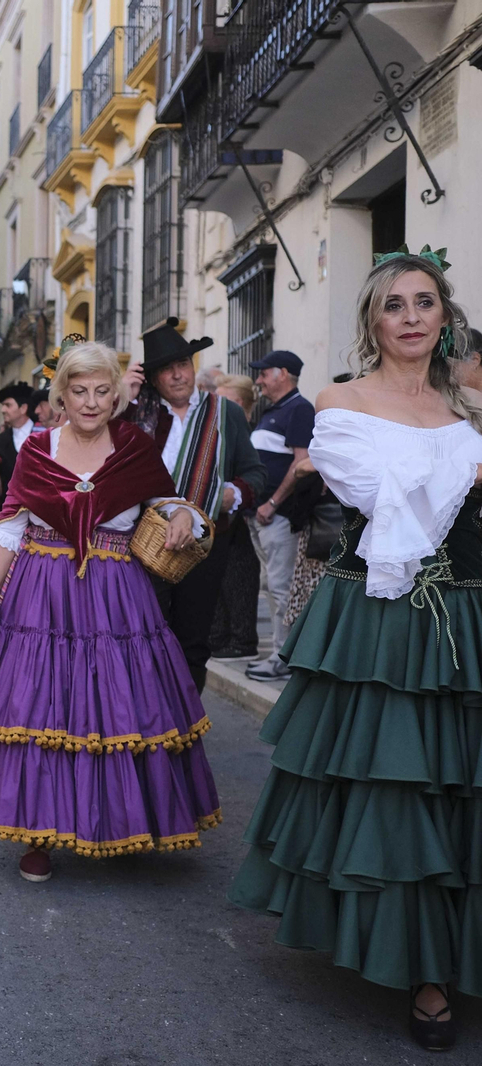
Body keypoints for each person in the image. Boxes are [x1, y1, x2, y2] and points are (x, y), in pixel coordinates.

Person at [228, 250, 482, 1052]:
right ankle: (423, 970)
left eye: (425, 302)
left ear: (445, 315)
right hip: (384, 618)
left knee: (465, 786)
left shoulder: (472, 403)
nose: (411, 316)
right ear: (373, 320)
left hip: (469, 616)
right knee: (399, 784)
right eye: (394, 305)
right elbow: (391, 511)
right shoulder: (341, 402)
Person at [0, 342, 220, 884]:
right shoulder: (37, 449)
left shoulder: (134, 446)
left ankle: (121, 822)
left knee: (118, 710)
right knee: (40, 711)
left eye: (101, 391)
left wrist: (180, 516)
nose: (90, 402)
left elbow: (166, 502)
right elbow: (10, 529)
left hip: (116, 599)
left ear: (119, 394)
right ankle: (37, 833)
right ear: (61, 394)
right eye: (79, 391)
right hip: (41, 599)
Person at [128, 319, 268, 693]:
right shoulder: (135, 416)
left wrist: (232, 494)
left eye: (183, 365)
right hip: (144, 544)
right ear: (153, 378)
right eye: (167, 370)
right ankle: (150, 718)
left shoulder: (226, 413)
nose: (178, 376)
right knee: (146, 634)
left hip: (205, 545)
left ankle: (184, 728)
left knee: (194, 639)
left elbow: (255, 474)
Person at [245, 349, 314, 682]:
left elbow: (301, 464)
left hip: (278, 517)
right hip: (260, 516)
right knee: (273, 587)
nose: (259, 379)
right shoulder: (272, 410)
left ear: (283, 374)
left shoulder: (299, 409)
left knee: (281, 587)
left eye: (264, 372)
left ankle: (282, 657)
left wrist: (272, 502)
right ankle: (280, 654)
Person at [208, 374, 264, 661]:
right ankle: (219, 637)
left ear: (237, 402)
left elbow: (257, 471)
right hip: (228, 517)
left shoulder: (240, 427)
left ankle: (242, 640)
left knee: (239, 576)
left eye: (222, 399)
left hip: (246, 514)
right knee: (221, 580)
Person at [0, 382, 35, 486]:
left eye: (8, 405)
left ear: (23, 408)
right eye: (2, 405)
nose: (3, 410)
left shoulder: (43, 433)